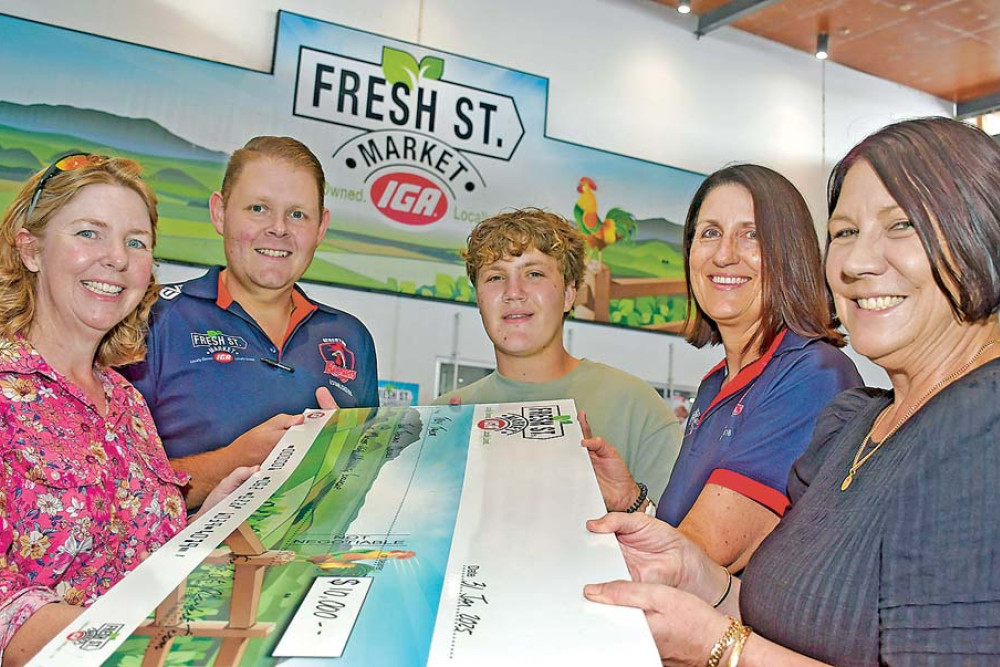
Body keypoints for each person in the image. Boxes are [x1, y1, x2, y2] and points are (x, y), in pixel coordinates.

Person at [584, 116, 1000, 665]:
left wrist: (720, 650)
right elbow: (784, 612)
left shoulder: (980, 431)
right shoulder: (852, 425)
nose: (856, 262)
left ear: (981, 234)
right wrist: (700, 578)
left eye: (900, 225)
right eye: (846, 232)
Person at [0, 154, 252, 667]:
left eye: (136, 242)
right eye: (89, 233)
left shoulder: (127, 401)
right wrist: (121, 645)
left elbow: (136, 557)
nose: (116, 258)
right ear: (30, 249)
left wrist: (210, 521)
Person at [583, 164, 862, 571]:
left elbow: (700, 560)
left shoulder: (811, 375)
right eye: (710, 232)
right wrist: (632, 500)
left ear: (791, 252)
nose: (725, 254)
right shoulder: (716, 384)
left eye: (751, 235)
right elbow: (686, 551)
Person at [122, 137, 378, 507]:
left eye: (298, 214)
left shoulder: (350, 338)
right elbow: (110, 491)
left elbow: (365, 487)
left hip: (308, 564)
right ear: (220, 212)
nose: (278, 229)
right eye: (258, 208)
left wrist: (346, 464)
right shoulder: (152, 317)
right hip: (178, 562)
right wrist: (234, 461)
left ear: (321, 227)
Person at [435, 208, 682, 506]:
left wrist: (627, 500)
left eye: (534, 273)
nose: (514, 292)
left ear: (568, 294)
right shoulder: (443, 418)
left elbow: (681, 540)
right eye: (496, 277)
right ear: (479, 298)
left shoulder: (635, 406)